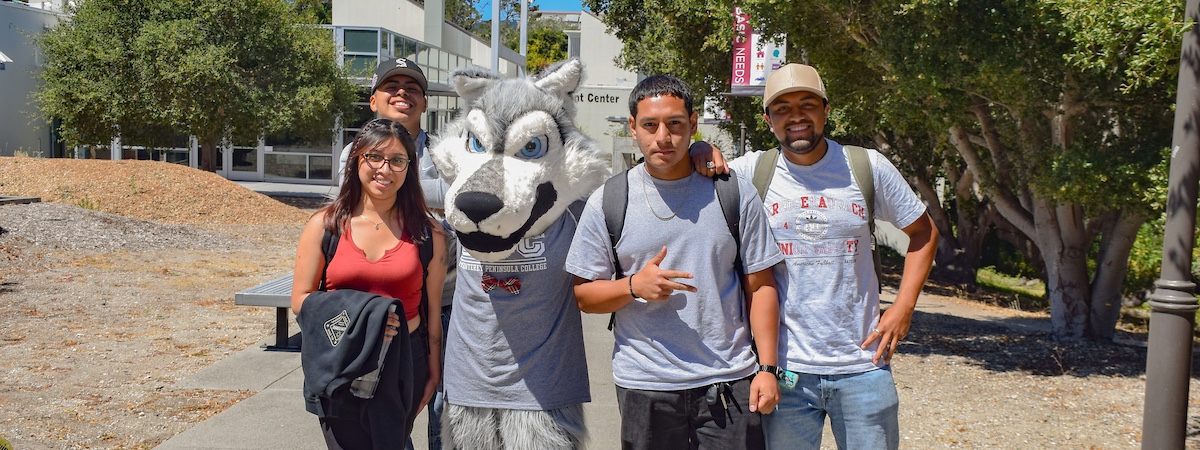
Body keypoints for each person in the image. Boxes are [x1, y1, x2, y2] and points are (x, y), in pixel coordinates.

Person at [696, 63, 939, 449]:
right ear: (768, 120)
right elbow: (690, 171)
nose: (796, 116)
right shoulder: (751, 172)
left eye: (807, 104)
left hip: (863, 367)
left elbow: (924, 232)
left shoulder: (867, 167)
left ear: (826, 110)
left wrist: (904, 307)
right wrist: (700, 146)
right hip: (783, 371)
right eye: (782, 108)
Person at [565, 74, 784, 450]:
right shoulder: (609, 200)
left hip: (728, 382)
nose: (662, 137)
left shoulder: (733, 192)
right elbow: (584, 296)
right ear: (633, 127)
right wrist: (634, 287)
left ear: (693, 125)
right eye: (650, 125)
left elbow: (761, 285)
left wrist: (767, 369)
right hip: (645, 385)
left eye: (675, 124)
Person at [292, 118, 448, 449]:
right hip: (341, 360)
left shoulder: (429, 234)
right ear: (356, 160)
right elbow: (301, 300)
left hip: (404, 364)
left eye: (397, 160)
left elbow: (433, 312)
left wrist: (433, 373)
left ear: (410, 167)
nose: (385, 169)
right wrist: (371, 318)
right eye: (374, 157)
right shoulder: (325, 225)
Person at [336, 58, 456, 450]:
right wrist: (432, 207)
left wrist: (403, 199)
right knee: (387, 414)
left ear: (423, 104)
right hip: (384, 309)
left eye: (413, 88)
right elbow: (361, 211)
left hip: (449, 300)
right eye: (392, 85)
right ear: (373, 100)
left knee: (444, 407)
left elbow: (462, 208)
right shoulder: (354, 154)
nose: (403, 92)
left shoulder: (450, 153)